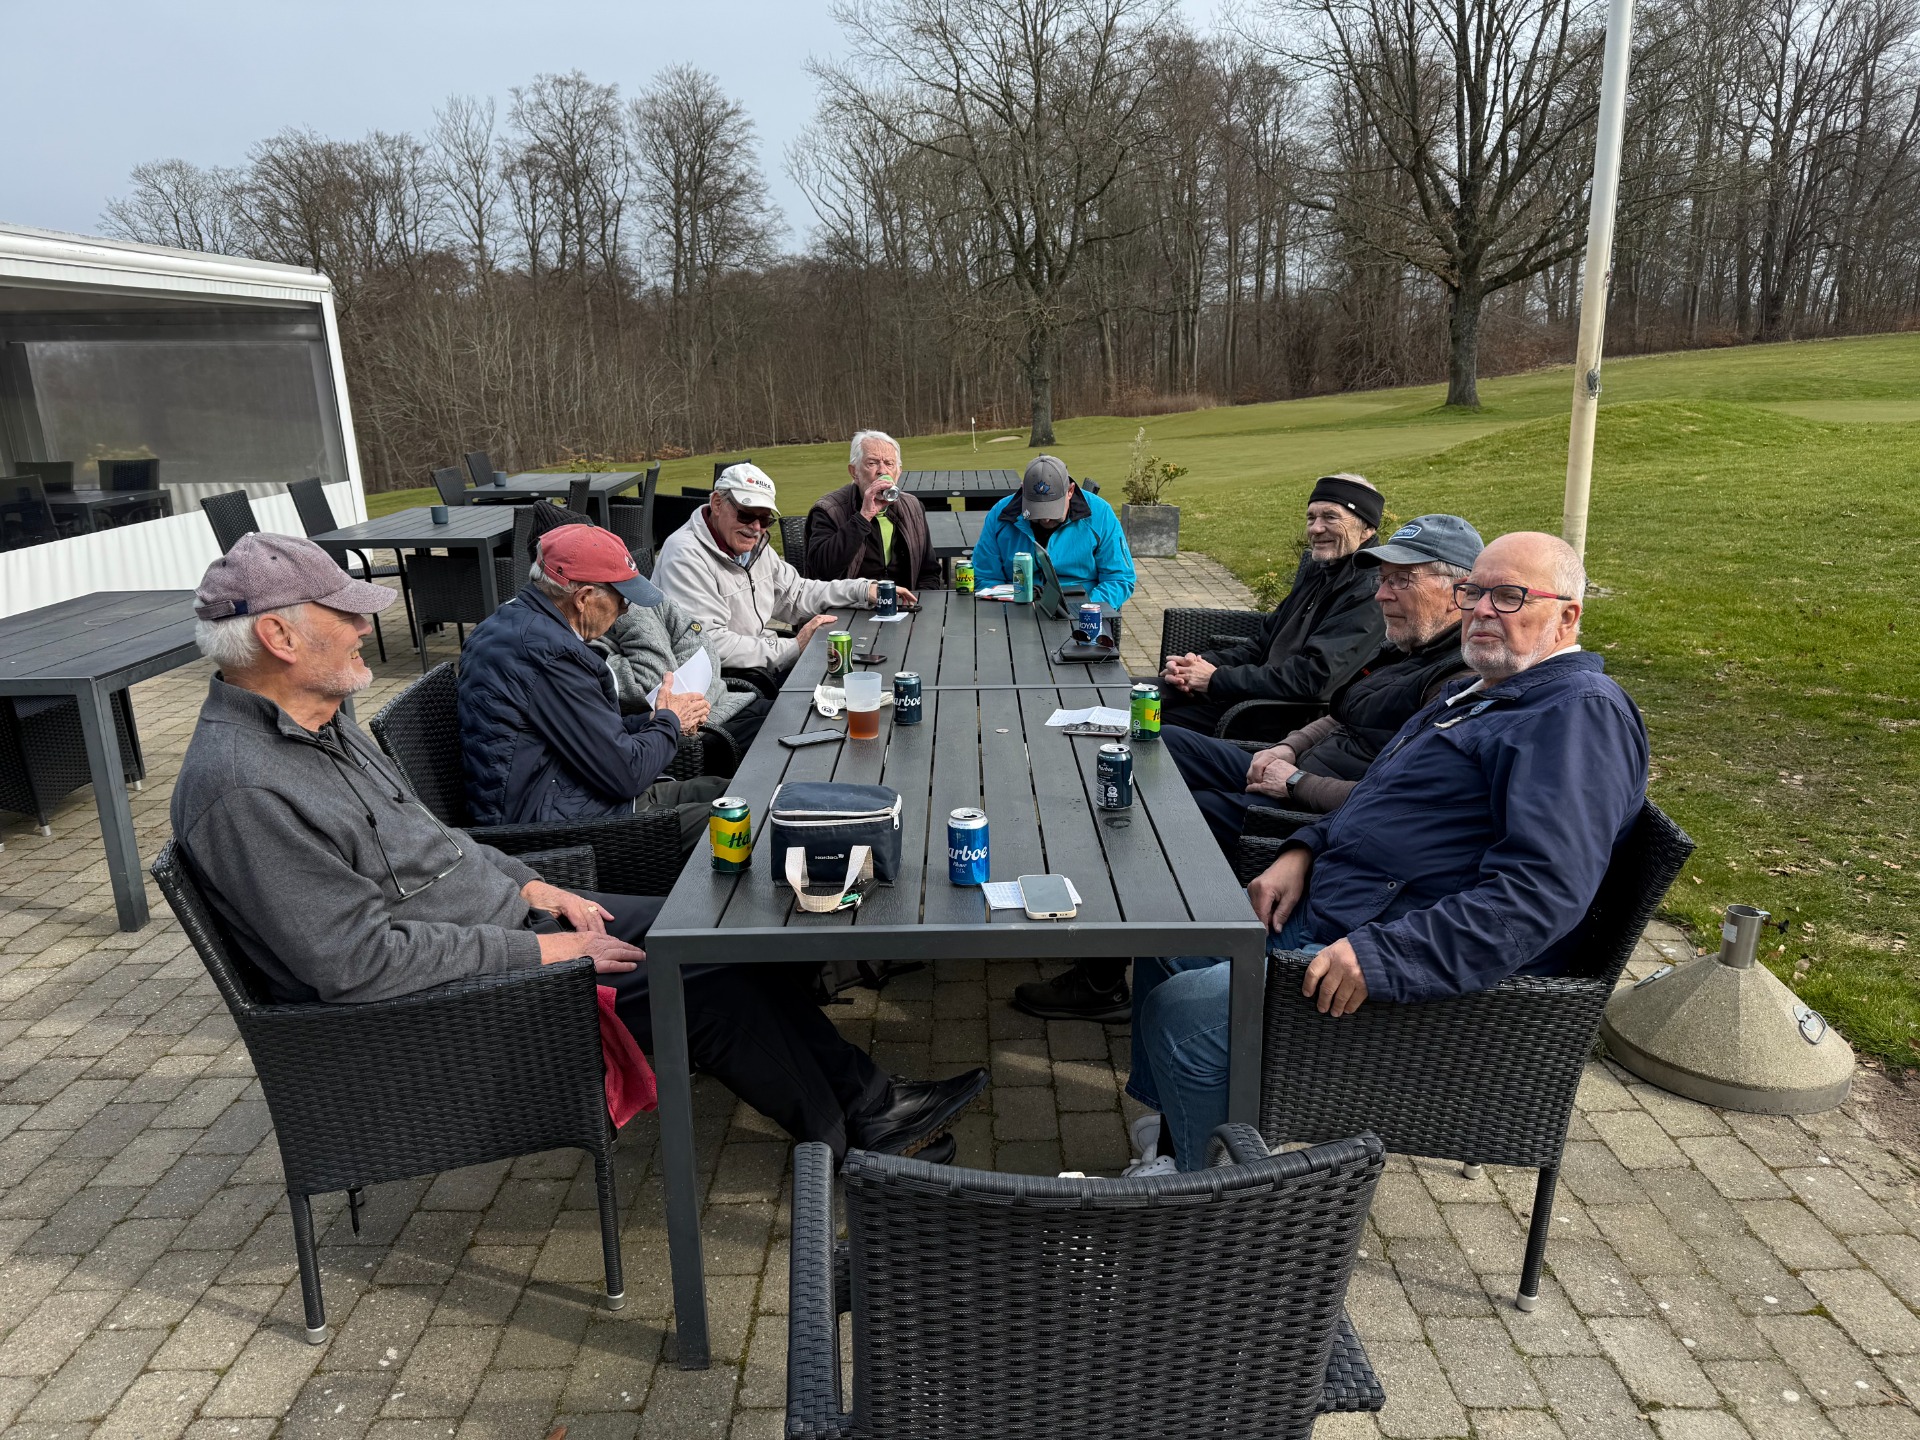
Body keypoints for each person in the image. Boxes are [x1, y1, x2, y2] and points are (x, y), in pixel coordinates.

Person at [170, 532, 986, 1162]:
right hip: (454, 1005)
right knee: (708, 987)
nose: (365, 628)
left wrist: (533, 887)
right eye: (345, 615)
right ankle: (856, 1142)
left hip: (505, 922)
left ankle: (869, 1103)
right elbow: (358, 965)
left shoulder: (317, 724)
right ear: (278, 635)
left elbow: (438, 842)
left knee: (721, 933)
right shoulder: (244, 788)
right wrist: (546, 950)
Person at [1126, 532, 1648, 1173]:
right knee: (1163, 933)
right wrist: (1302, 851)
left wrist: (1384, 956)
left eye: (1511, 597)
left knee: (1186, 1013)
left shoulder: (1575, 717)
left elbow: (1540, 895)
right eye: (1474, 592)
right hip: (1339, 907)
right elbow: (1377, 799)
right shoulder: (1479, 692)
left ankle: (1208, 1193)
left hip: (1395, 959)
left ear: (1567, 616)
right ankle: (1182, 1126)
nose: (1483, 610)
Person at [1160, 515, 1483, 852]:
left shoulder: (1458, 682)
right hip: (1295, 767)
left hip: (1316, 817)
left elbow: (1401, 798)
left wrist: (1297, 783)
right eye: (1383, 579)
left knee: (1178, 809)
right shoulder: (1406, 649)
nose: (1381, 595)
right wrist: (1289, 747)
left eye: (1401, 580)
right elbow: (1341, 715)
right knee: (1168, 743)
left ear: (1459, 594)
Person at [456, 524, 729, 853]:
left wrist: (655, 719)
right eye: (622, 599)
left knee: (740, 791)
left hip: (573, 795)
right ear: (584, 598)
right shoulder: (551, 655)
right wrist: (669, 722)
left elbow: (589, 732)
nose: (626, 609)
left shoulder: (517, 624)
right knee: (742, 818)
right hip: (553, 826)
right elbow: (627, 774)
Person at [1159, 474, 1385, 735]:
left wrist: (1215, 678)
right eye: (1311, 518)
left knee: (1148, 723)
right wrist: (1197, 665)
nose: (1315, 529)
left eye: (1330, 517)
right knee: (1140, 694)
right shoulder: (1321, 570)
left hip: (1286, 720)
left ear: (1367, 528)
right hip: (1250, 698)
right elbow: (1261, 645)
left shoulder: (1371, 592)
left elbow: (1314, 679)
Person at [651, 463, 907, 683]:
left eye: (765, 520)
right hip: (726, 683)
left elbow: (797, 593)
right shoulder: (685, 555)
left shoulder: (752, 547)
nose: (755, 527)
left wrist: (862, 589)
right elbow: (710, 644)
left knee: (867, 675)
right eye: (746, 515)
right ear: (717, 503)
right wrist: (792, 648)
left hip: (762, 666)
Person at [970, 455, 1136, 609]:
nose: (1046, 519)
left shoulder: (1101, 514)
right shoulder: (1000, 514)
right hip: (1016, 608)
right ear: (1023, 490)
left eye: (1053, 510)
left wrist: (1088, 609)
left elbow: (1120, 578)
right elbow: (985, 577)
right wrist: (1006, 612)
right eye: (1036, 510)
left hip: (1083, 607)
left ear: (1070, 491)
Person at [805, 430, 940, 589]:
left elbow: (929, 572)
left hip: (904, 601)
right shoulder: (828, 510)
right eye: (872, 463)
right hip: (849, 602)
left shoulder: (912, 506)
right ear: (854, 472)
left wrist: (919, 600)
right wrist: (863, 517)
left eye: (889, 464)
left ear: (898, 473)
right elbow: (821, 572)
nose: (882, 471)